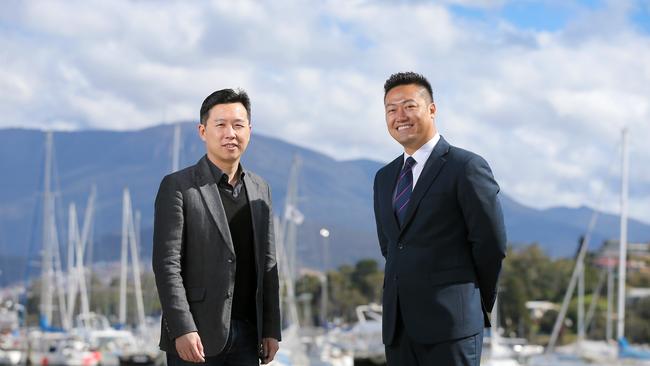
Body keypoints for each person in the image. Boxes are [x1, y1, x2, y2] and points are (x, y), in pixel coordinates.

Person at [373, 72, 507, 366]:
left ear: (431, 109)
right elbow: (392, 247)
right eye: (391, 109)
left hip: (452, 326)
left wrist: (472, 302)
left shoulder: (466, 167)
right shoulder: (384, 178)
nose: (400, 116)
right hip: (399, 330)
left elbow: (491, 243)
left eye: (409, 106)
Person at [153, 88, 281, 365]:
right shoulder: (178, 186)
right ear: (203, 131)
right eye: (220, 125)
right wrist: (182, 327)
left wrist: (271, 328)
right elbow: (167, 265)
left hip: (249, 334)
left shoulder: (261, 188)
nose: (230, 133)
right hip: (195, 336)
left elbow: (268, 263)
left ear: (249, 130)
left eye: (238, 125)